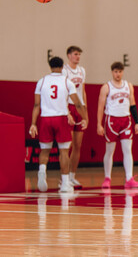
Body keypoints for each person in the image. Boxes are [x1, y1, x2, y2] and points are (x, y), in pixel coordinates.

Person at [29, 57, 88, 192]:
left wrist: (33, 123)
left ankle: (42, 170)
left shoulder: (41, 81)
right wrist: (84, 118)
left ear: (50, 67)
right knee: (64, 152)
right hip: (61, 119)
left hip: (45, 119)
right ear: (62, 67)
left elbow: (36, 105)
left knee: (45, 150)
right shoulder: (67, 82)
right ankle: (65, 183)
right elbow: (77, 103)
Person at [97, 62, 138, 189]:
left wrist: (137, 122)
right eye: (116, 71)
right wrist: (99, 124)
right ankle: (107, 178)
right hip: (111, 120)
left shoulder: (128, 86)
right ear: (112, 72)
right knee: (110, 150)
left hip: (126, 120)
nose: (118, 74)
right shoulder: (106, 87)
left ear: (123, 72)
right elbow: (100, 106)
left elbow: (132, 104)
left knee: (127, 150)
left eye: (120, 71)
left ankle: (129, 178)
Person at [62, 45, 87, 188]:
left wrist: (85, 112)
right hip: (69, 107)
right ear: (69, 55)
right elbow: (63, 92)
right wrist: (67, 112)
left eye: (79, 54)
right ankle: (64, 177)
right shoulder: (65, 70)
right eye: (75, 54)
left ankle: (72, 176)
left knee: (78, 145)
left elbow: (83, 92)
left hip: (79, 107)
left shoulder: (82, 70)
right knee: (68, 145)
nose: (78, 57)